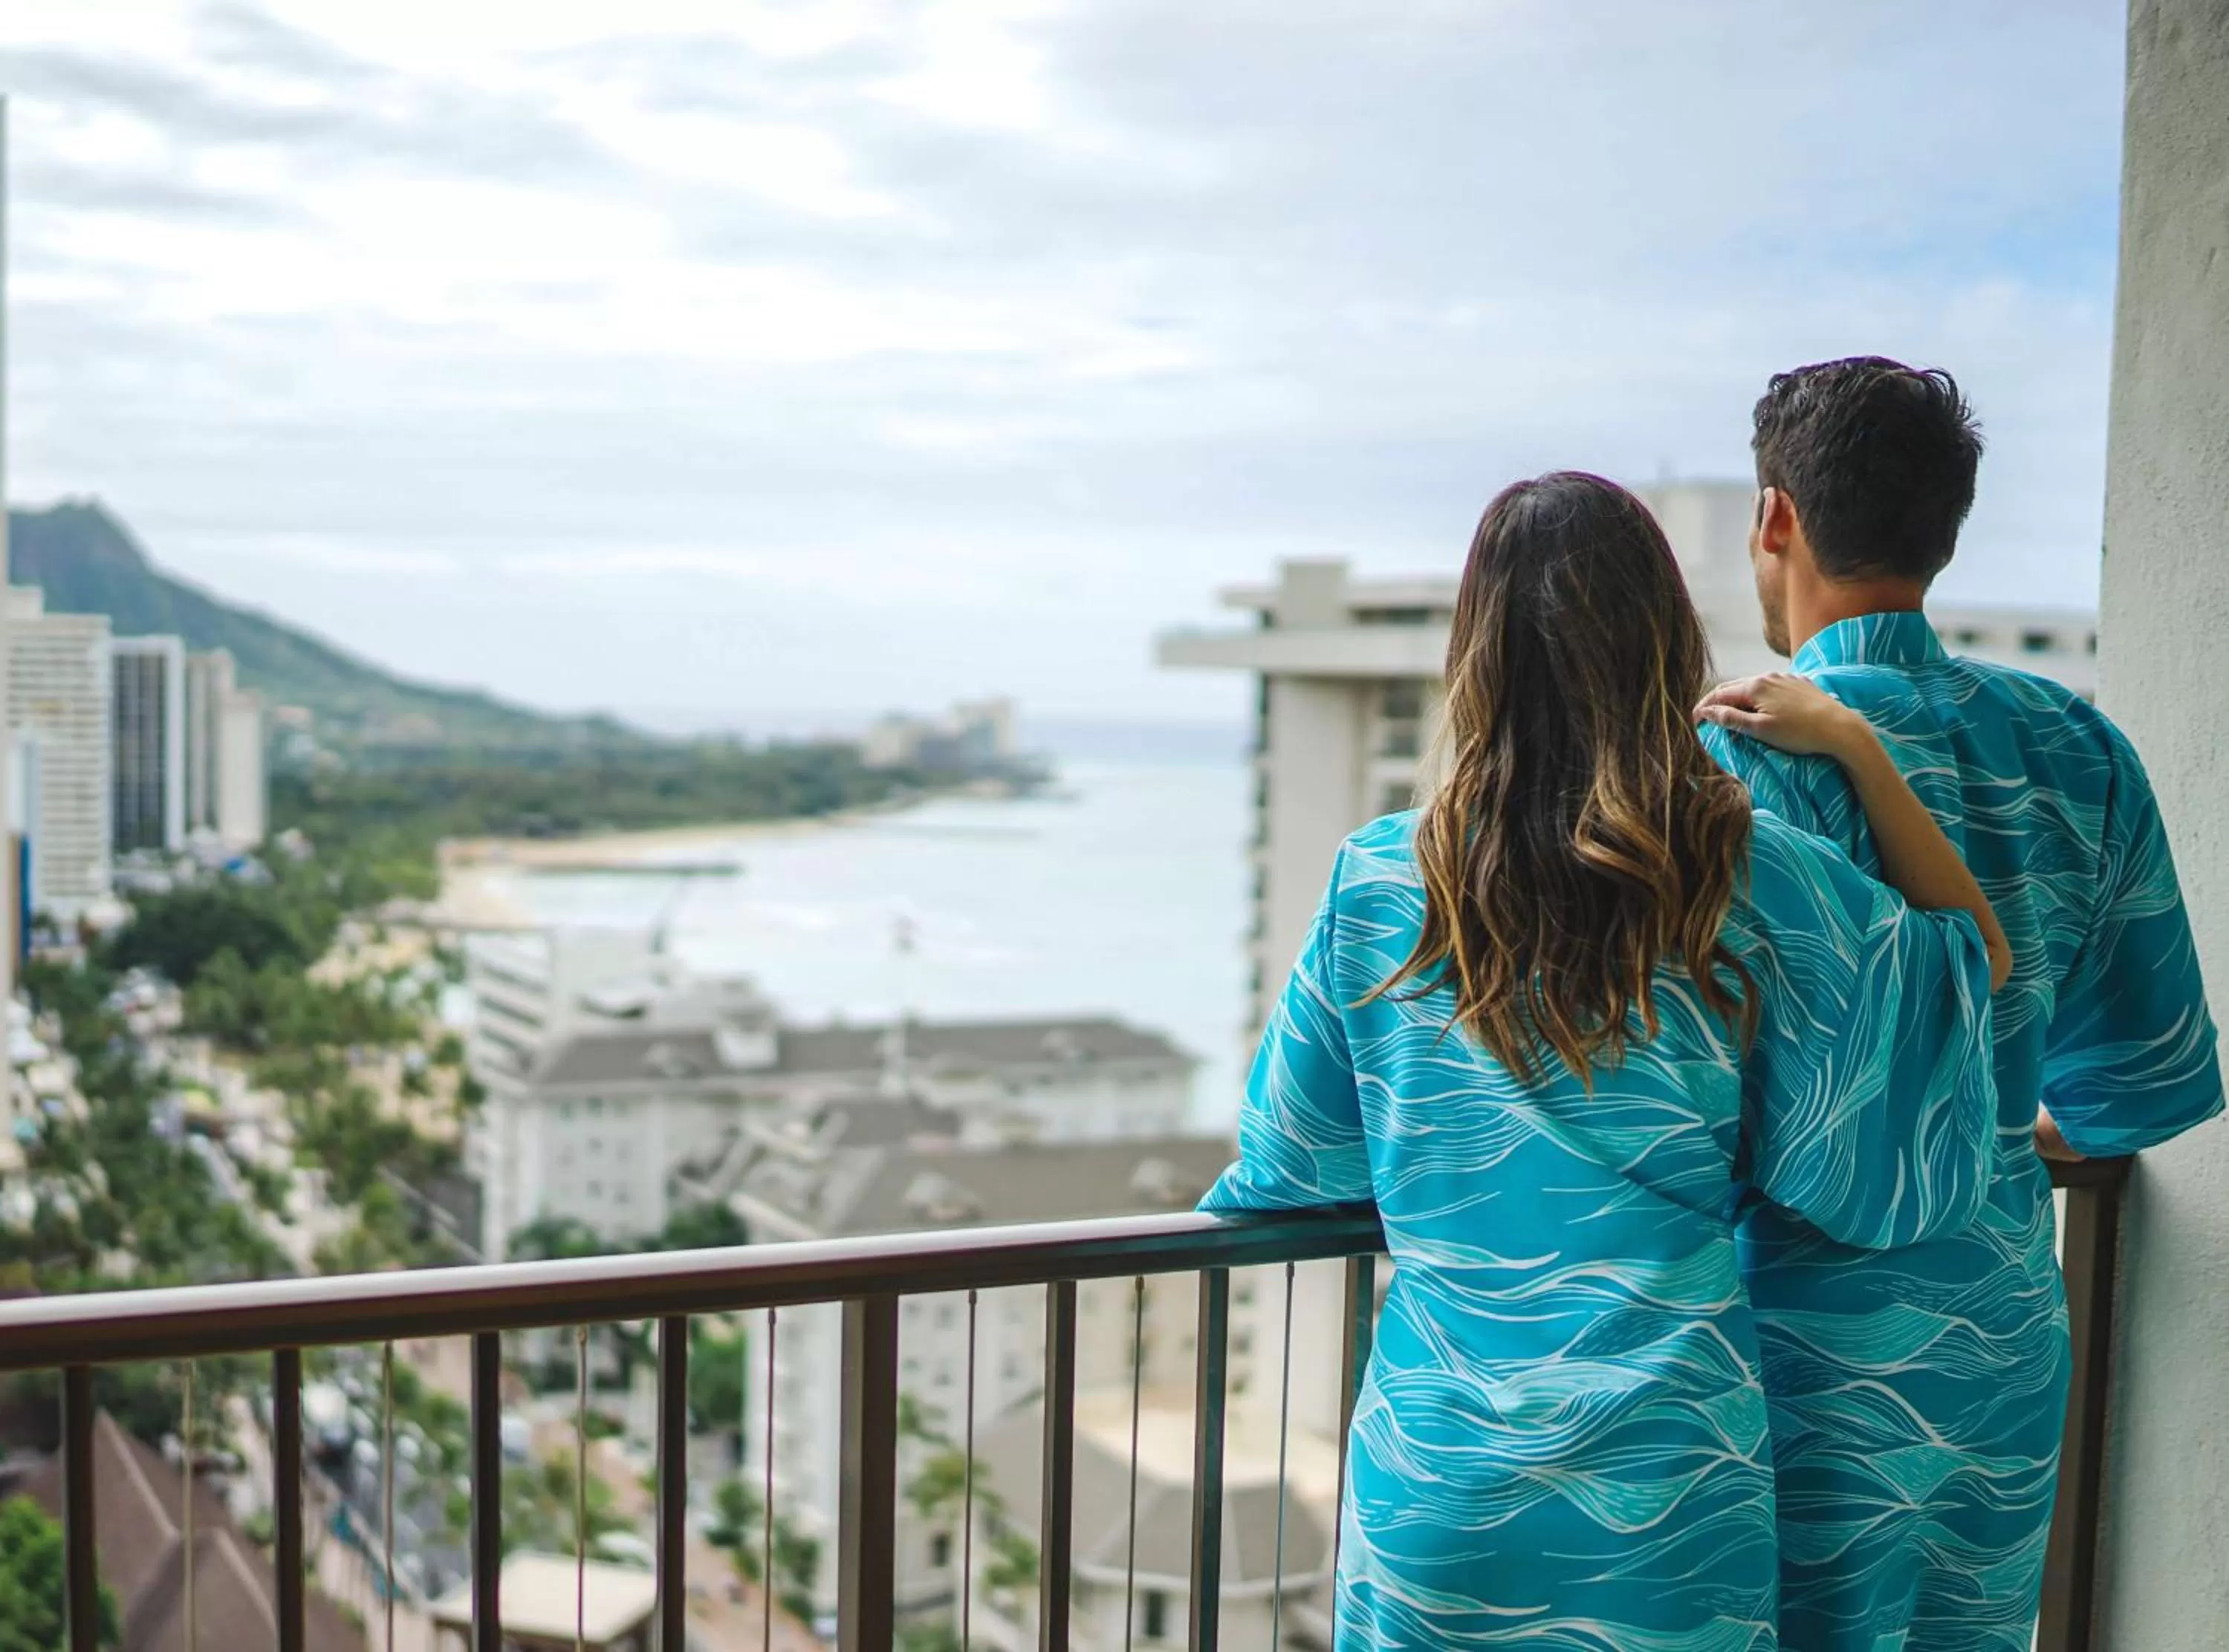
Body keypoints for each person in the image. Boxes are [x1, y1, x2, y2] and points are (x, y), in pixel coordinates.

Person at [1201, 471, 2009, 1650]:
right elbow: (1963, 966)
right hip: (1672, 1468)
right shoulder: (1745, 866)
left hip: (1447, 1464)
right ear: (1663, 642)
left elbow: (1291, 1160)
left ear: (1471, 653)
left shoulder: (1382, 878)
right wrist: (1855, 750)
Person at [1696, 357, 2225, 1651]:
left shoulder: (1733, 755)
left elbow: (1671, 1093)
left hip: (1794, 1351)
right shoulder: (2079, 746)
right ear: (1946, 525)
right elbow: (2133, 1089)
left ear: (1777, 519)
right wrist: (1996, 1134)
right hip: (1997, 1338)